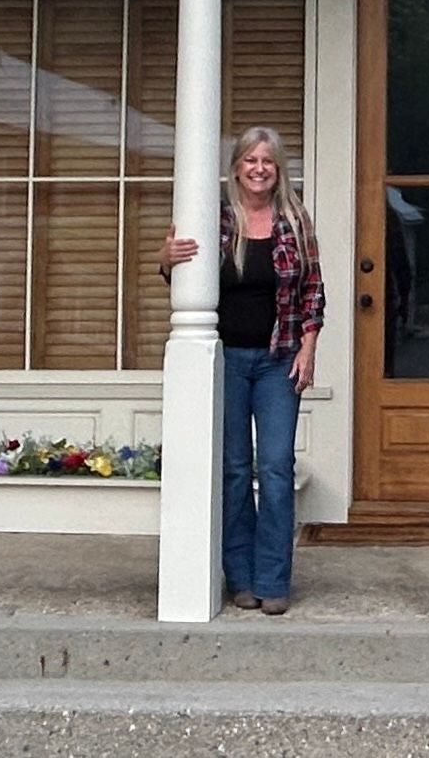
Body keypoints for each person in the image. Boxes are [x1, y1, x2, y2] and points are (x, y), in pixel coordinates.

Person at [162, 124, 323, 613]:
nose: (259, 169)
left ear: (278, 170)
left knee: (275, 468)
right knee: (233, 470)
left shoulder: (294, 221)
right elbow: (181, 270)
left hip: (278, 361)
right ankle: (242, 577)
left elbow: (313, 290)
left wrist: (308, 348)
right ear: (236, 167)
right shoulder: (215, 219)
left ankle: (274, 581)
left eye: (268, 161)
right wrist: (165, 261)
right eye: (251, 160)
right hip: (226, 361)